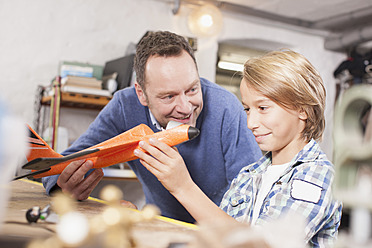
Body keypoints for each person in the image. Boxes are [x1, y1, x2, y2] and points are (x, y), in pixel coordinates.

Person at [42, 31, 262, 223]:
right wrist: (63, 187)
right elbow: (60, 165)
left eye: (193, 89)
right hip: (159, 226)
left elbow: (253, 198)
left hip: (220, 233)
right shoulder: (124, 106)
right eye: (168, 96)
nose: (185, 108)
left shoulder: (226, 108)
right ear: (141, 94)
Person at [135, 50, 342, 246]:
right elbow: (221, 240)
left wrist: (183, 187)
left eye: (262, 108)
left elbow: (262, 246)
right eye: (247, 109)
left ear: (302, 110)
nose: (251, 122)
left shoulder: (318, 176)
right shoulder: (249, 175)